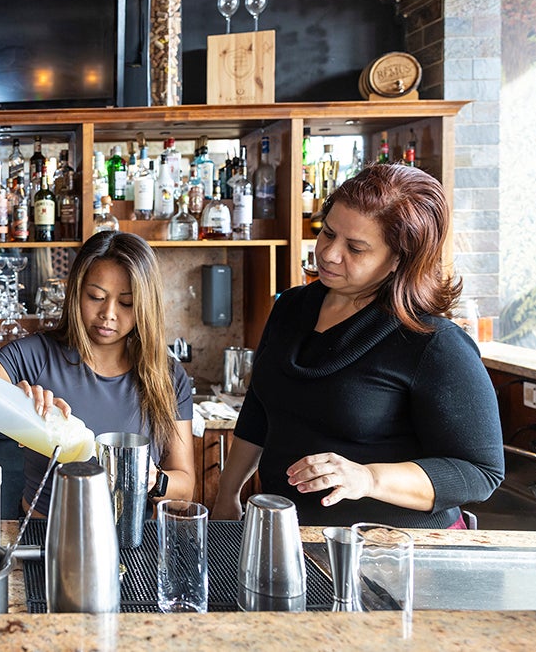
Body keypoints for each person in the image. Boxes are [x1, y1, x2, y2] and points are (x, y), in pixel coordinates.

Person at [212, 164, 504, 528]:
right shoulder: (290, 308)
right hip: (292, 535)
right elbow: (259, 409)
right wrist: (227, 494)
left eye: (355, 248)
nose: (330, 254)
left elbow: (479, 472)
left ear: (400, 258)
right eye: (328, 233)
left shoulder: (433, 342)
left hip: (395, 550)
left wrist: (368, 478)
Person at [0, 230, 194, 516]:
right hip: (44, 536)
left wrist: (153, 479)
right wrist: (8, 401)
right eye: (95, 297)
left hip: (132, 543)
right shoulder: (35, 355)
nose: (108, 313)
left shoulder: (166, 377)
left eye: (126, 302)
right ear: (76, 292)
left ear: (145, 305)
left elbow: (185, 489)